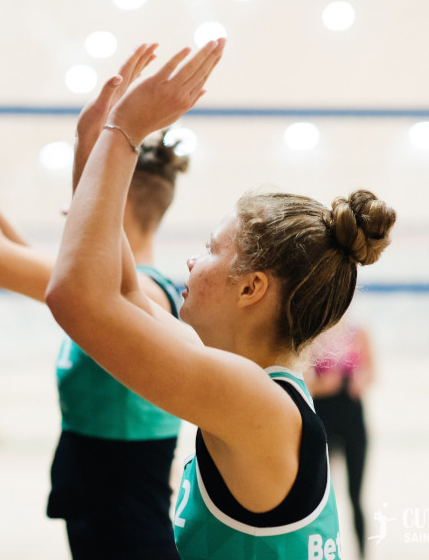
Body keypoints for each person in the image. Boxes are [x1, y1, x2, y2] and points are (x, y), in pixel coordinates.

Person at [45, 37, 398, 558]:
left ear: (252, 287)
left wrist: (125, 131)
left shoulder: (254, 400)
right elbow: (121, 290)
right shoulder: (258, 392)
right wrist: (94, 146)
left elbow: (77, 298)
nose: (191, 261)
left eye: (210, 249)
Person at [0, 51, 188, 558]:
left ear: (114, 197)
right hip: (107, 526)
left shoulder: (143, 292)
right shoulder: (118, 285)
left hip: (132, 537)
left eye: (92, 187)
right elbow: (17, 254)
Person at [305, 317, 374, 558]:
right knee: (320, 494)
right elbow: (303, 381)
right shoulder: (315, 333)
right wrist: (325, 384)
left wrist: (360, 381)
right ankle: (320, 551)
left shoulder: (358, 331)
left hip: (353, 416)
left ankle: (363, 554)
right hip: (323, 416)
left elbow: (372, 371)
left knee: (356, 494)